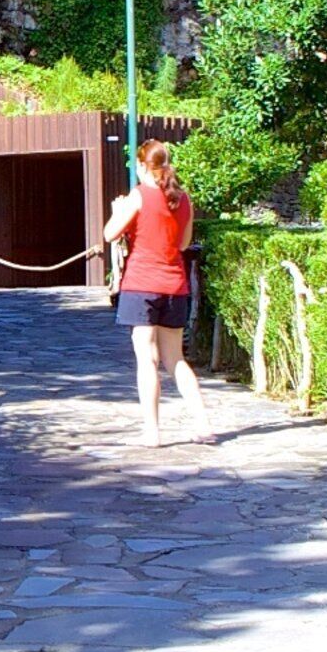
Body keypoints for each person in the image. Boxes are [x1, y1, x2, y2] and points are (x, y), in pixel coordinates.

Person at [97, 139, 208, 446]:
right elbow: (184, 244)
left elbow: (109, 234)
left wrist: (118, 210)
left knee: (147, 359)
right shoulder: (183, 199)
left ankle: (153, 431)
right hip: (175, 284)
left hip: (142, 284)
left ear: (143, 164)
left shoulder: (138, 196)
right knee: (176, 359)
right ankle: (202, 422)